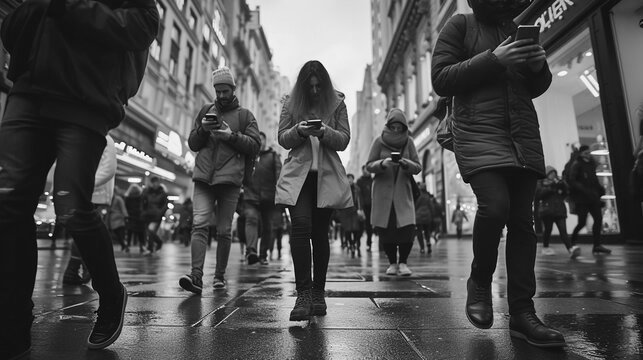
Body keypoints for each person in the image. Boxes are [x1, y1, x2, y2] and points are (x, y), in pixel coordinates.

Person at [0, 0, 159, 356]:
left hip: (86, 98)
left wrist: (69, 7)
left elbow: (142, 26)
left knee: (71, 206)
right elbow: (11, 30)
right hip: (29, 90)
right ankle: (12, 321)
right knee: (9, 203)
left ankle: (111, 291)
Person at [432, 0, 566, 348]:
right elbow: (441, 78)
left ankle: (523, 314)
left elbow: (534, 86)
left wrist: (538, 68)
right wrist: (494, 60)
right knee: (495, 206)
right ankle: (479, 281)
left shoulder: (513, 28)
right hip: (478, 133)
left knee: (523, 222)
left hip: (520, 133)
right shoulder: (460, 26)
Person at [275, 60, 352, 321]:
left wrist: (324, 131)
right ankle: (303, 294)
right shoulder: (291, 102)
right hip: (299, 176)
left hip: (326, 176)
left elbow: (343, 140)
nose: (316, 90)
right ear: (304, 87)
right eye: (311, 86)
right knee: (300, 226)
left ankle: (318, 293)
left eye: (320, 86)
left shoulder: (338, 103)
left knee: (320, 234)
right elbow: (282, 137)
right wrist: (298, 130)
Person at [179, 66, 261, 294]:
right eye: (218, 91)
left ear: (233, 89)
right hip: (204, 177)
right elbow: (193, 143)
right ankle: (196, 276)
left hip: (230, 181)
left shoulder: (245, 116)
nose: (222, 95)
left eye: (225, 91)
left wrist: (231, 136)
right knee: (199, 225)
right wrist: (203, 130)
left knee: (224, 231)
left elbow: (255, 146)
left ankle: (219, 276)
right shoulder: (206, 110)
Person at [366, 109, 421, 277]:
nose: (397, 130)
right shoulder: (378, 141)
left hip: (403, 192)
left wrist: (406, 164)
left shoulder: (409, 142)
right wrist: (383, 163)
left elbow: (418, 167)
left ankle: (403, 262)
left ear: (404, 127)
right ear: (389, 126)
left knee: (407, 228)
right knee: (387, 229)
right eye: (394, 126)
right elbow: (369, 165)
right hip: (383, 194)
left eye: (400, 127)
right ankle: (391, 263)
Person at [63, 134, 117, 285]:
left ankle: (76, 269)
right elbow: (108, 170)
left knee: (83, 233)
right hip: (95, 195)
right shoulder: (105, 139)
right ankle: (83, 270)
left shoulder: (86, 136)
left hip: (86, 192)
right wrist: (86, 186)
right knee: (91, 234)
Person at [242, 132, 282, 265]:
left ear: (265, 142)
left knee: (267, 226)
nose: (260, 142)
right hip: (250, 195)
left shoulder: (273, 156)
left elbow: (279, 174)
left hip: (268, 196)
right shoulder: (249, 155)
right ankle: (251, 251)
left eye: (262, 140)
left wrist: (279, 192)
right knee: (251, 219)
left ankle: (263, 255)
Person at [569, 145, 611, 255]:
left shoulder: (591, 164)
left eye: (589, 152)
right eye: (585, 153)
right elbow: (572, 180)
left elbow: (594, 179)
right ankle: (572, 242)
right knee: (582, 222)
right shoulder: (577, 164)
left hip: (593, 197)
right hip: (582, 199)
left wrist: (600, 189)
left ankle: (597, 245)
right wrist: (583, 189)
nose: (588, 154)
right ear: (581, 154)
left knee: (598, 219)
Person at [535, 166, 581, 258]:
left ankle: (570, 248)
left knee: (563, 231)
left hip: (559, 210)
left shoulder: (558, 183)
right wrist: (552, 187)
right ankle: (545, 247)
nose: (553, 175)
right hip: (547, 211)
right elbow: (539, 194)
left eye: (554, 173)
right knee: (548, 230)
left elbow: (565, 193)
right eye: (551, 173)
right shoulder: (541, 183)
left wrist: (563, 186)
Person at [336, 174, 364, 258]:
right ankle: (351, 244)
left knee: (356, 230)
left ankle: (355, 243)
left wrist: (360, 209)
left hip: (355, 212)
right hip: (345, 212)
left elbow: (360, 200)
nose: (349, 180)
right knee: (347, 231)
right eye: (348, 179)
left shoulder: (357, 189)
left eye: (351, 179)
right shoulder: (343, 189)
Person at [141, 176, 167, 253]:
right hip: (148, 215)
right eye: (153, 182)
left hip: (157, 216)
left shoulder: (163, 193)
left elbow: (165, 205)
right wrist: (143, 211)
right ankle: (157, 243)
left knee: (150, 231)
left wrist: (160, 212)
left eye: (156, 182)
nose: (155, 184)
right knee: (149, 232)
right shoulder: (146, 192)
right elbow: (142, 202)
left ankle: (150, 248)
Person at [356, 165, 374, 252]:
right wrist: (360, 208)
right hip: (363, 207)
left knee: (370, 226)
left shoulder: (373, 180)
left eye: (367, 170)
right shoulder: (359, 181)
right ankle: (357, 243)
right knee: (361, 226)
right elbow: (359, 196)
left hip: (373, 206)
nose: (366, 172)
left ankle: (369, 243)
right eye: (364, 170)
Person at [124, 183, 146, 253]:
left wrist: (126, 215)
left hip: (131, 217)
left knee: (129, 232)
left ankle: (127, 246)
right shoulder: (141, 197)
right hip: (140, 217)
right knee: (141, 233)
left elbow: (126, 207)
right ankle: (141, 246)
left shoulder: (127, 198)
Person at [108, 187, 129, 252]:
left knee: (120, 234)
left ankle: (124, 246)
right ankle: (124, 246)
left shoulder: (118, 199)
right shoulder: (110, 199)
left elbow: (123, 208)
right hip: (112, 219)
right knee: (117, 234)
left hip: (119, 219)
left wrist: (126, 216)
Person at [414, 185, 433, 254]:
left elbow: (415, 206)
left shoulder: (418, 197)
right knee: (427, 231)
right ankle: (428, 242)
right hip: (427, 216)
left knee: (419, 232)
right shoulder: (427, 197)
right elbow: (431, 207)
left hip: (419, 216)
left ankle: (422, 248)